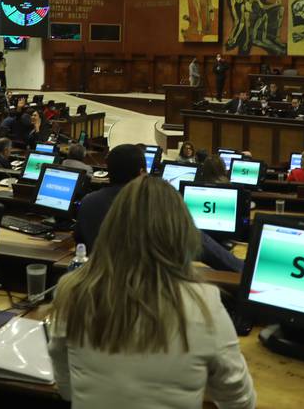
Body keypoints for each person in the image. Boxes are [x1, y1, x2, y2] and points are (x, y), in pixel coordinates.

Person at [49, 175, 256, 409]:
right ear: (182, 232)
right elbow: (241, 402)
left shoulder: (71, 292)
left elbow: (66, 390)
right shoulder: (205, 304)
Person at [76, 144, 242, 272]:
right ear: (142, 172)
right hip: (149, 297)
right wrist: (243, 269)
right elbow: (200, 244)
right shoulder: (157, 203)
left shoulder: (88, 202)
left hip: (101, 295)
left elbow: (80, 245)